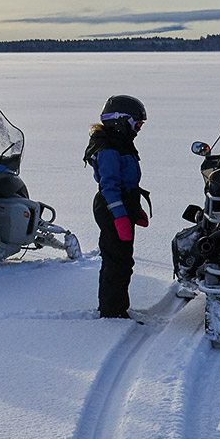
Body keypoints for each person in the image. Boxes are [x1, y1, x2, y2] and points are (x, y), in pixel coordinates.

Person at [87, 94, 148, 319]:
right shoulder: (109, 149)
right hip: (112, 208)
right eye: (137, 124)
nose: (139, 129)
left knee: (124, 261)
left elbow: (128, 182)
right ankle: (112, 312)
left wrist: (136, 209)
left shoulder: (121, 143)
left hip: (123, 206)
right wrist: (120, 217)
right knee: (116, 262)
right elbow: (109, 186)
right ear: (120, 120)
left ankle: (117, 307)